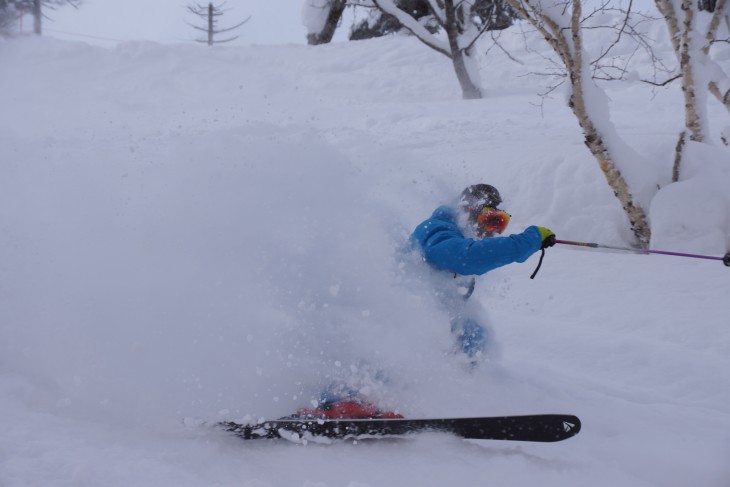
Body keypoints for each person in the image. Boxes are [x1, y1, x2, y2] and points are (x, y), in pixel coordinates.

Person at [409, 184, 555, 364]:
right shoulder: (436, 229)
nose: (492, 231)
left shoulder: (457, 235)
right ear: (467, 211)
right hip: (398, 322)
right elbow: (468, 257)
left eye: (500, 222)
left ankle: (463, 380)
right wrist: (529, 241)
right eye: (490, 220)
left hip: (427, 320)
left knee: (474, 336)